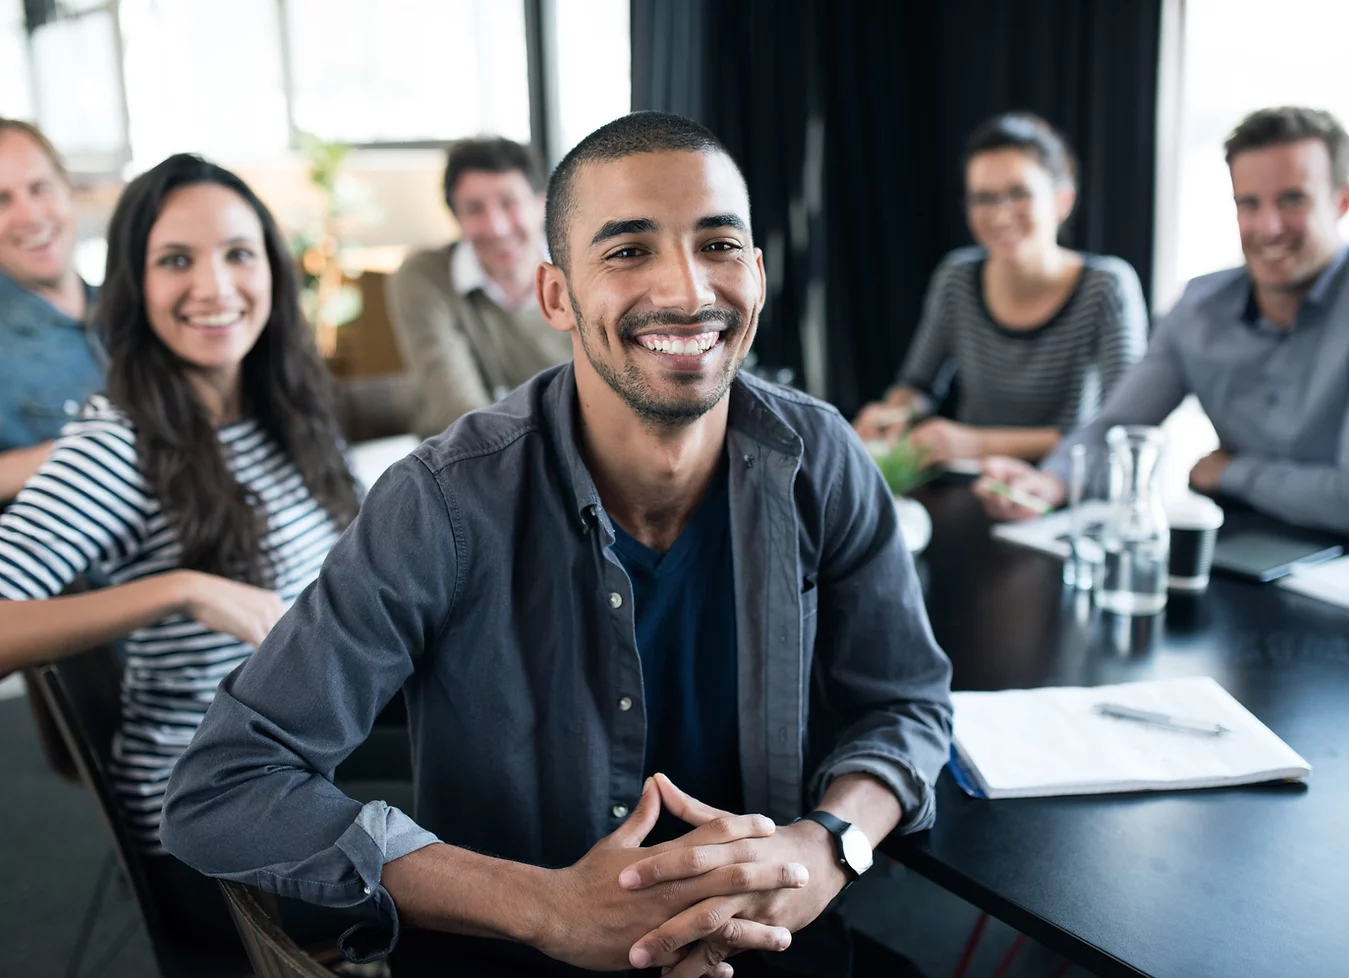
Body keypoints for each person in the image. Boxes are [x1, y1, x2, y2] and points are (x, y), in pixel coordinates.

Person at [161, 112, 953, 978]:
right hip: (517, 962)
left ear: (757, 275)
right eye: (626, 252)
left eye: (719, 244)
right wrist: (546, 908)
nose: (688, 289)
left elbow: (906, 704)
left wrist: (831, 845)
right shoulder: (441, 501)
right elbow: (224, 786)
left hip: (773, 951)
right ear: (554, 296)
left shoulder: (820, 456)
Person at [0, 154, 359, 935]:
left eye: (238, 253)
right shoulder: (116, 445)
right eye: (175, 261)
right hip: (214, 813)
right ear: (134, 285)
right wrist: (178, 588)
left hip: (312, 758)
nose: (215, 287)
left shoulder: (279, 405)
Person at [977, 106, 1349, 536]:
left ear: (1341, 200)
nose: (1268, 227)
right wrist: (1048, 483)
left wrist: (1232, 472)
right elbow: (1113, 430)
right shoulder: (1198, 307)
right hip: (1233, 545)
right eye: (1248, 204)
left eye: (1293, 200)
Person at [854, 112, 1148, 466]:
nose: (1000, 214)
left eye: (1019, 193)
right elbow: (919, 385)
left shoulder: (1106, 286)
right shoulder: (957, 278)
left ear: (1062, 201)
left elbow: (1118, 429)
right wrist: (894, 412)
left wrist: (977, 444)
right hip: (973, 484)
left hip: (1063, 482)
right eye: (983, 199)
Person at [387, 136, 573, 437]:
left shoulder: (580, 271)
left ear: (541, 205)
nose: (495, 227)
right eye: (474, 209)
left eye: (509, 204)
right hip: (467, 462)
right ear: (456, 217)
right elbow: (459, 412)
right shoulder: (426, 277)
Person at [0, 118, 104, 500]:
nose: (30, 216)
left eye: (40, 189)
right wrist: (94, 449)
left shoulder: (134, 310)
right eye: (1, 200)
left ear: (69, 192)